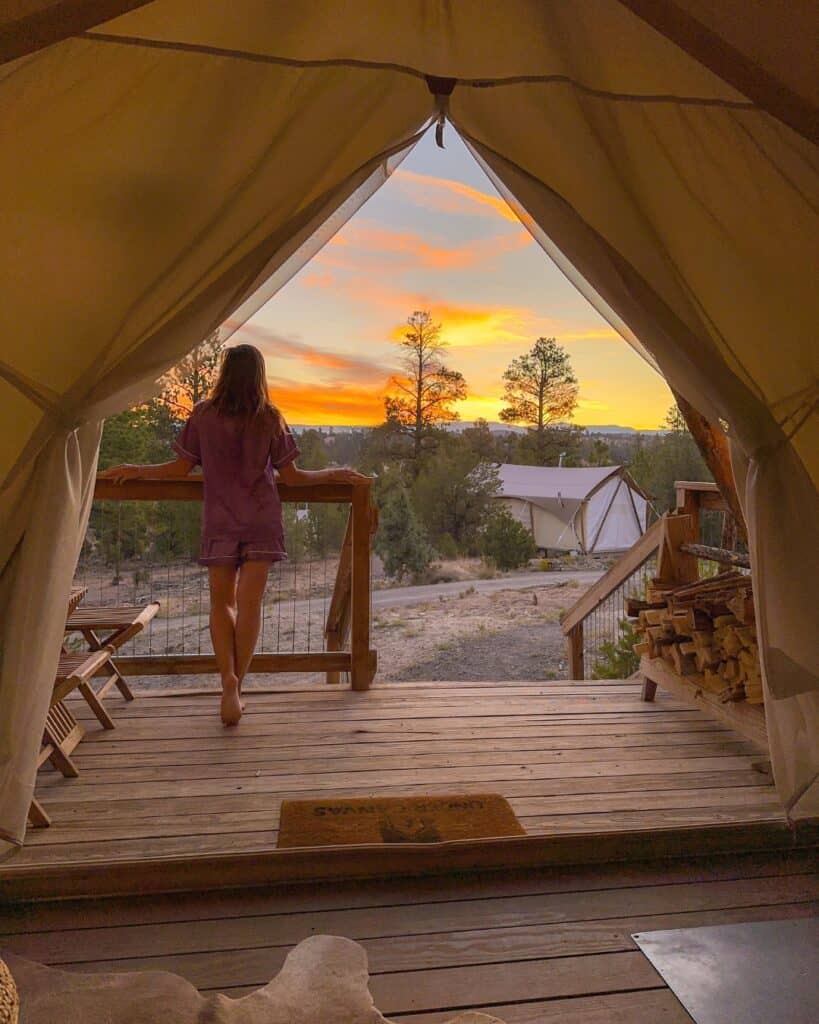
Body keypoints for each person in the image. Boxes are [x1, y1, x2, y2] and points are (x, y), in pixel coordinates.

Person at [99, 344, 369, 726]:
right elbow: (293, 477)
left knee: (221, 605)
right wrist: (335, 473)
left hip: (220, 519)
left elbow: (178, 469)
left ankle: (226, 678)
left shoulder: (204, 416)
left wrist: (136, 469)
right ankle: (236, 687)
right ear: (259, 375)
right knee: (250, 605)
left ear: (224, 372)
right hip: (260, 519)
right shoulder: (270, 418)